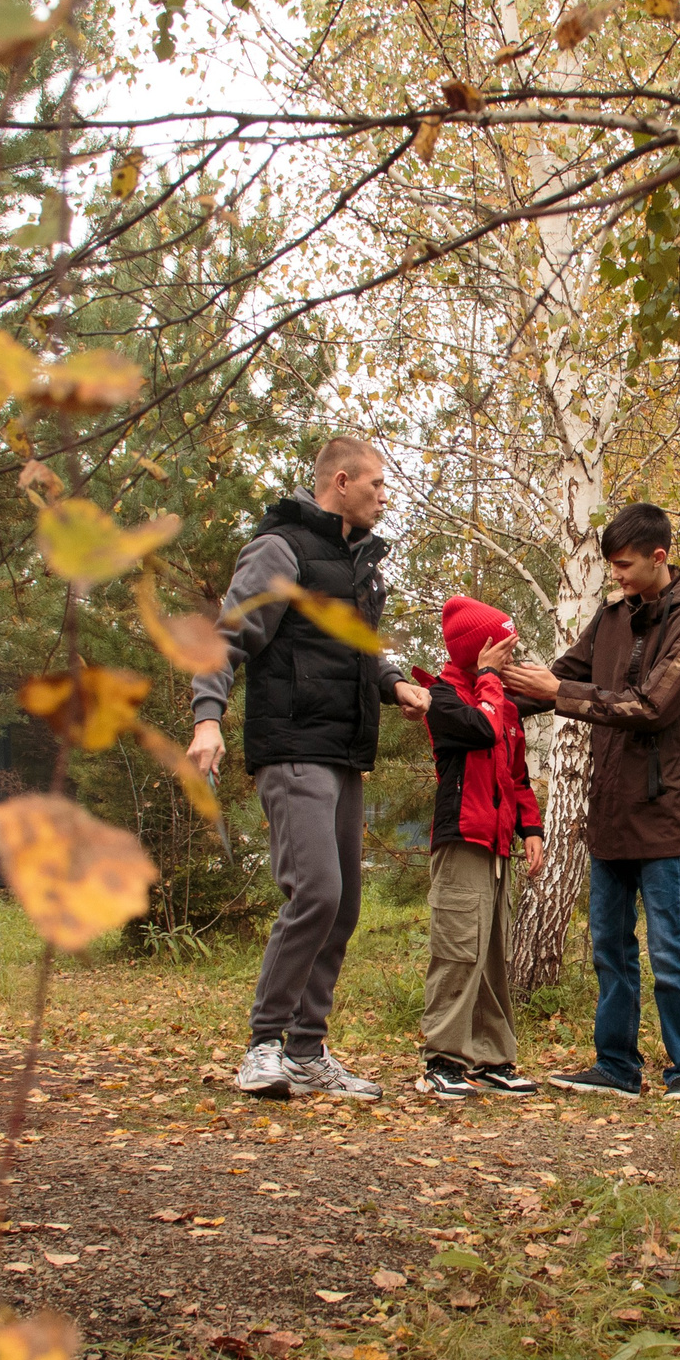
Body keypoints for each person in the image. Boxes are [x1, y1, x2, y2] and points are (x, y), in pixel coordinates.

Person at [188, 437, 429, 1102]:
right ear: (341, 481)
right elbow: (226, 636)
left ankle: (306, 1049)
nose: (385, 496)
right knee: (316, 891)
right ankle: (264, 1044)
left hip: (345, 749)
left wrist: (393, 681)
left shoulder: (358, 564)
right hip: (293, 745)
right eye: (377, 484)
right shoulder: (281, 549)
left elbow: (359, 645)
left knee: (344, 903)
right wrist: (208, 715)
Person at [500, 503, 680, 1101]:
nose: (615, 577)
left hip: (662, 809)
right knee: (608, 946)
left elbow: (650, 707)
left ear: (658, 556)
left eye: (623, 566)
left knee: (669, 946)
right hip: (609, 807)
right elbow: (560, 675)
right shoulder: (612, 615)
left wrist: (559, 691)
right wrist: (485, 702)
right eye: (609, 566)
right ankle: (616, 1067)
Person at [410, 596, 547, 1101]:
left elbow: (516, 775)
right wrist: (490, 679)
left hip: (496, 848)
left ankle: (491, 1059)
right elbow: (481, 729)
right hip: (461, 840)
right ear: (480, 649)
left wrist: (530, 830)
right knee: (458, 948)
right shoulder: (440, 696)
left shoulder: (504, 703)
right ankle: (442, 1059)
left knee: (491, 954)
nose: (512, 658)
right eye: (503, 649)